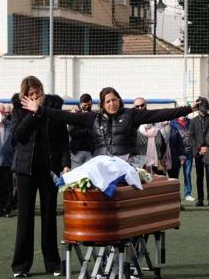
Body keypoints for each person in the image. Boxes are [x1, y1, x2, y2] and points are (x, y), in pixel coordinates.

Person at [21, 86, 198, 162]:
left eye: (114, 100)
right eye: (107, 101)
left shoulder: (132, 115)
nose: (112, 104)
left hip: (127, 161)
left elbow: (160, 113)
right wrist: (39, 109)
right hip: (101, 161)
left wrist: (189, 108)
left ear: (119, 101)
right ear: (102, 105)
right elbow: (63, 116)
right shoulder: (93, 118)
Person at [10, 75, 71, 278]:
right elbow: (18, 136)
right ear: (24, 96)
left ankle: (52, 263)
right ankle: (21, 266)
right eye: (31, 94)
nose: (35, 97)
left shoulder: (53, 108)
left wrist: (65, 164)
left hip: (49, 170)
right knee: (25, 217)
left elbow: (63, 139)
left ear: (42, 91)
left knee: (49, 216)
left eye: (38, 92)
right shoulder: (19, 109)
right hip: (25, 170)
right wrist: (33, 114)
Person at [189, 97, 209, 207]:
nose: (204, 111)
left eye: (206, 108)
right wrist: (199, 149)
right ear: (198, 108)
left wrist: (208, 148)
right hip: (198, 153)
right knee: (199, 177)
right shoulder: (193, 121)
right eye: (202, 108)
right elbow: (191, 138)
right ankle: (200, 199)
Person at [68, 93, 94, 168]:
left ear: (91, 104)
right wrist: (87, 132)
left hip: (90, 151)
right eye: (84, 106)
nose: (86, 108)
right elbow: (73, 132)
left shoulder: (94, 116)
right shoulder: (75, 115)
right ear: (80, 104)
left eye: (88, 106)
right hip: (77, 151)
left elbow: (95, 132)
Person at [173, 116, 194, 201]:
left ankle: (188, 193)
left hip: (188, 153)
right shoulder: (173, 123)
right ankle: (175, 194)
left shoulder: (191, 122)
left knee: (187, 174)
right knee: (175, 175)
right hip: (177, 153)